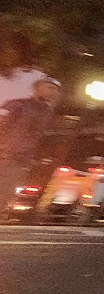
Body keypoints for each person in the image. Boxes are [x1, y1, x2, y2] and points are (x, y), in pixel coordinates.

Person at [0, 78, 61, 208]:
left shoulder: (48, 113)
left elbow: (45, 137)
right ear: (36, 88)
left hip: (22, 160)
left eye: (56, 90)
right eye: (50, 88)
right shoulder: (16, 104)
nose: (54, 92)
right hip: (5, 155)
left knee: (6, 191)